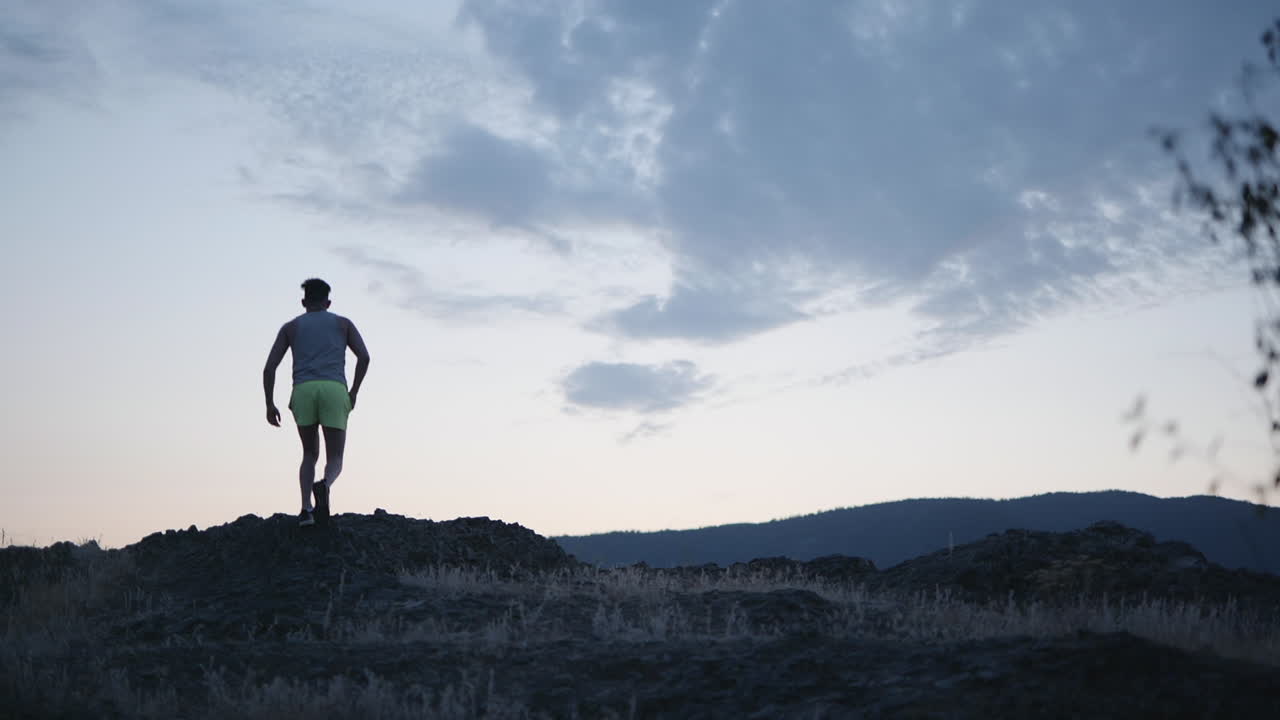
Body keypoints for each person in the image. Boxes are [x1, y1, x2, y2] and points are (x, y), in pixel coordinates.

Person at [263, 278, 371, 527]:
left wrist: (269, 403)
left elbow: (269, 368)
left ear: (303, 302)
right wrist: (353, 391)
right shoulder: (343, 324)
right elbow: (364, 357)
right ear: (328, 302)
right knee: (335, 458)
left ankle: (305, 510)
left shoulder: (290, 328)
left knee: (309, 453)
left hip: (303, 389)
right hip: (334, 389)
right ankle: (324, 485)